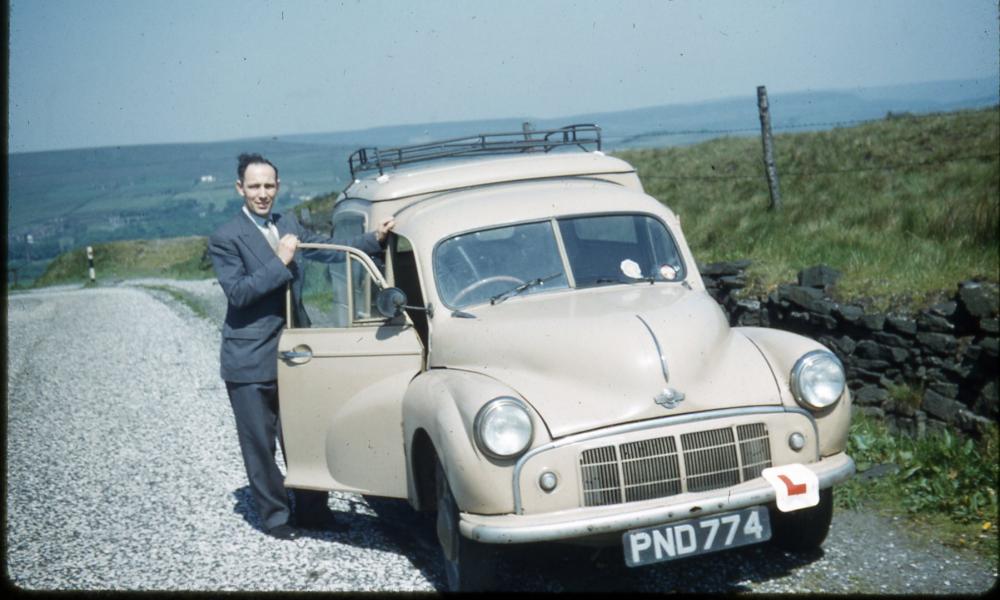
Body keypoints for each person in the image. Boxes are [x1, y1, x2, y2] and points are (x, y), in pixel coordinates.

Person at [208, 153, 393, 540]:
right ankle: (275, 518)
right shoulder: (226, 237)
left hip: (296, 352)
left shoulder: (287, 222)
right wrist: (280, 260)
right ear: (240, 188)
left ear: (278, 186)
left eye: (269, 186)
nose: (263, 194)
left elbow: (326, 250)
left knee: (306, 432)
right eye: (255, 186)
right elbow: (239, 294)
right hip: (250, 357)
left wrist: (372, 241)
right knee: (260, 444)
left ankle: (313, 513)